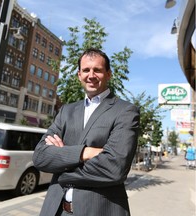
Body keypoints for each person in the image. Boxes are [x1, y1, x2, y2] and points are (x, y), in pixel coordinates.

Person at [32, 48, 140, 216]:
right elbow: (40, 156)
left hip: (99, 210)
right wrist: (85, 152)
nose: (91, 75)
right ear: (79, 75)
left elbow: (114, 167)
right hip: (56, 210)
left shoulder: (125, 111)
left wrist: (62, 168)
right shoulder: (66, 111)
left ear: (109, 74)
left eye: (97, 70)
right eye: (86, 70)